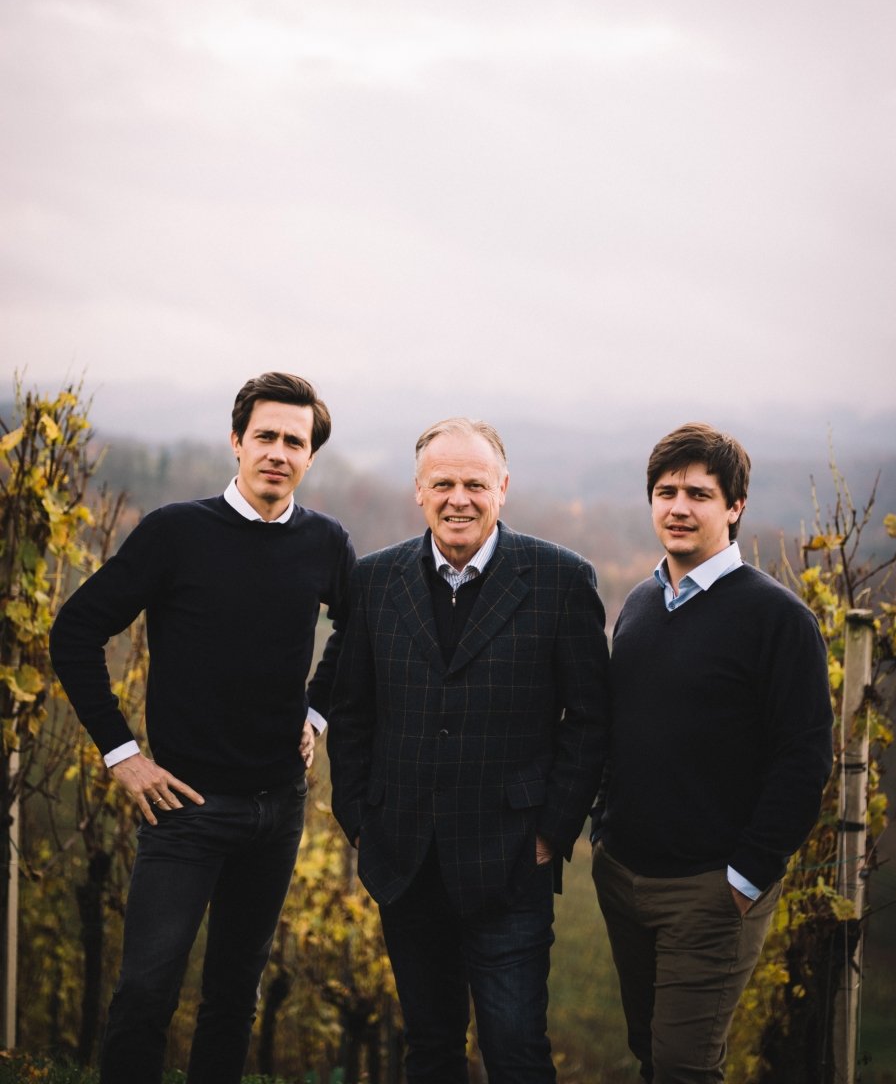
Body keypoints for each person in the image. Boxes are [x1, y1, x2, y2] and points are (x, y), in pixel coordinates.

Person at [50, 371, 356, 1084]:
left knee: (233, 1001)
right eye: (266, 437)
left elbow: (354, 631)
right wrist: (122, 754)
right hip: (184, 807)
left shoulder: (325, 542)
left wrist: (316, 711)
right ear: (237, 441)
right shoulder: (175, 533)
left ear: (310, 456)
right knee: (145, 996)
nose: (279, 452)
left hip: (279, 807)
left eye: (295, 441)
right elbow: (75, 633)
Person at [327, 417, 609, 1084]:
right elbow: (351, 711)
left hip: (511, 859)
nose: (460, 498)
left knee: (515, 1050)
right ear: (418, 492)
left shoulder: (562, 581)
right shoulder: (372, 581)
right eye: (444, 483)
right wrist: (360, 819)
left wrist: (553, 829)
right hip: (405, 857)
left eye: (475, 483)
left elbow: (591, 719)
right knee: (429, 1049)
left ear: (502, 488)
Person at [591, 422, 834, 1084]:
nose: (678, 506)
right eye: (666, 491)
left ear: (735, 508)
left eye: (699, 493)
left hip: (711, 890)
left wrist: (747, 875)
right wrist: (602, 828)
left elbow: (804, 757)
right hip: (624, 877)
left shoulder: (778, 619)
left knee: (683, 1066)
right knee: (649, 1049)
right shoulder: (641, 602)